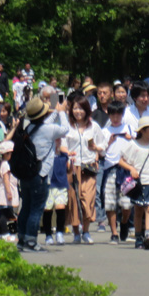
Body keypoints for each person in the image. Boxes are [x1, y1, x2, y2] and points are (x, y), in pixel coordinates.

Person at [16, 96, 69, 253]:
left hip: (26, 173)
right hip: (41, 174)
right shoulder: (48, 129)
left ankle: (22, 239)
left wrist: (56, 112)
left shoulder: (29, 128)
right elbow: (65, 129)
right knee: (36, 209)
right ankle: (32, 242)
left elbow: (44, 124)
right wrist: (62, 113)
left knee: (25, 207)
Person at [119, 116, 149, 250]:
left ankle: (148, 234)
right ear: (143, 130)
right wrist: (131, 169)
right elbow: (120, 160)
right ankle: (138, 236)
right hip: (139, 182)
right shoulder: (133, 145)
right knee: (138, 209)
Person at [66, 96, 105, 244]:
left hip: (89, 166)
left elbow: (103, 146)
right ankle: (76, 232)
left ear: (87, 110)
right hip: (73, 166)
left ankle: (86, 230)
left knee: (88, 199)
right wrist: (66, 153)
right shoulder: (68, 126)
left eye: (81, 108)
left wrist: (96, 149)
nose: (78, 111)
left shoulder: (94, 126)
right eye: (75, 108)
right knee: (74, 200)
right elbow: (62, 144)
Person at [101, 101, 134, 244]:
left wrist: (130, 138)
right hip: (110, 168)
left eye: (118, 114)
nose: (115, 117)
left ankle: (125, 223)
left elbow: (138, 145)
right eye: (113, 114)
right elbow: (101, 152)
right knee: (110, 203)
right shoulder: (105, 131)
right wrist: (108, 142)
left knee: (127, 204)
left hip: (126, 169)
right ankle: (114, 233)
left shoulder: (129, 128)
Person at [0, 140, 19, 242]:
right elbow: (6, 179)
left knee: (3, 213)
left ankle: (2, 233)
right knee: (4, 214)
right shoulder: (6, 165)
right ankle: (4, 233)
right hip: (5, 192)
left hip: (3, 192)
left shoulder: (3, 163)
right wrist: (9, 192)